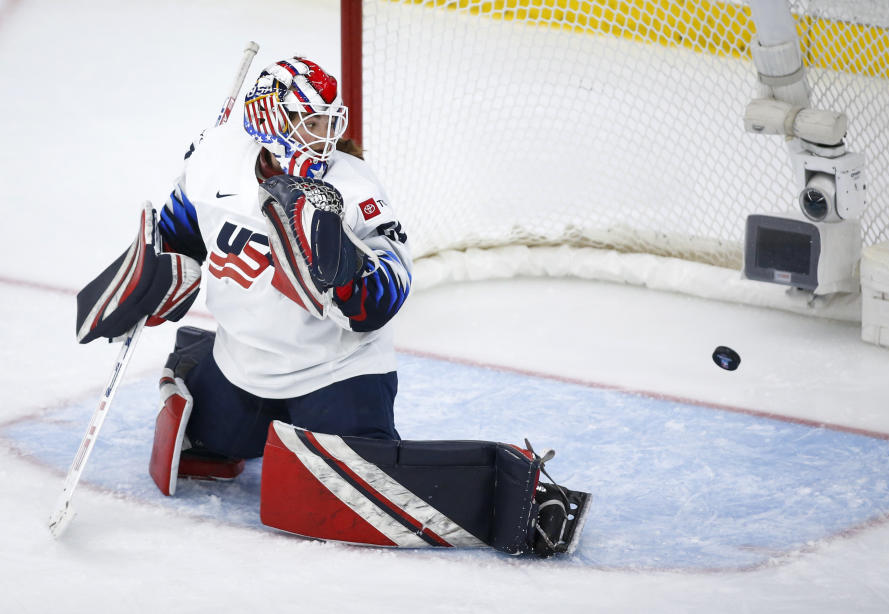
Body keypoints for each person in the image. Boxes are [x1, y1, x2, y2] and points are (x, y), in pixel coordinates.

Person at [75, 56, 589, 557]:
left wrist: (341, 266)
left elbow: (386, 295)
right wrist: (147, 279)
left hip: (337, 373)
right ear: (269, 121)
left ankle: (510, 496)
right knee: (204, 449)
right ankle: (198, 362)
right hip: (242, 366)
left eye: (328, 122)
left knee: (358, 490)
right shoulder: (215, 158)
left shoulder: (354, 189)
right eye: (309, 122)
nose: (322, 136)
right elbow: (178, 234)